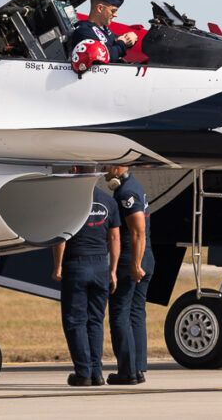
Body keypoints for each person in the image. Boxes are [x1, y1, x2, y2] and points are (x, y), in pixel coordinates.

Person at [52, 168, 120, 387]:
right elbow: (115, 237)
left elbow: (61, 237)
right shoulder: (108, 202)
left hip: (77, 264)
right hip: (101, 264)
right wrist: (113, 270)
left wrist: (58, 266)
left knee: (75, 321)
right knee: (95, 321)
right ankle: (97, 372)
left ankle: (83, 373)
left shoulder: (70, 201)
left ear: (74, 171)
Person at [105, 165, 155, 385]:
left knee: (119, 314)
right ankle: (137, 369)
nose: (103, 170)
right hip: (145, 257)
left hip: (131, 259)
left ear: (117, 168)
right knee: (136, 312)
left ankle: (127, 371)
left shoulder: (126, 192)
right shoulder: (133, 186)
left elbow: (137, 231)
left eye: (106, 166)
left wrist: (135, 264)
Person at [69, 0, 138, 62]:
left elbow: (115, 40)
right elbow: (107, 56)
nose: (116, 15)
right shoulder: (84, 31)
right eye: (113, 11)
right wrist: (122, 43)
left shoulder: (104, 29)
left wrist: (131, 37)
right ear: (100, 8)